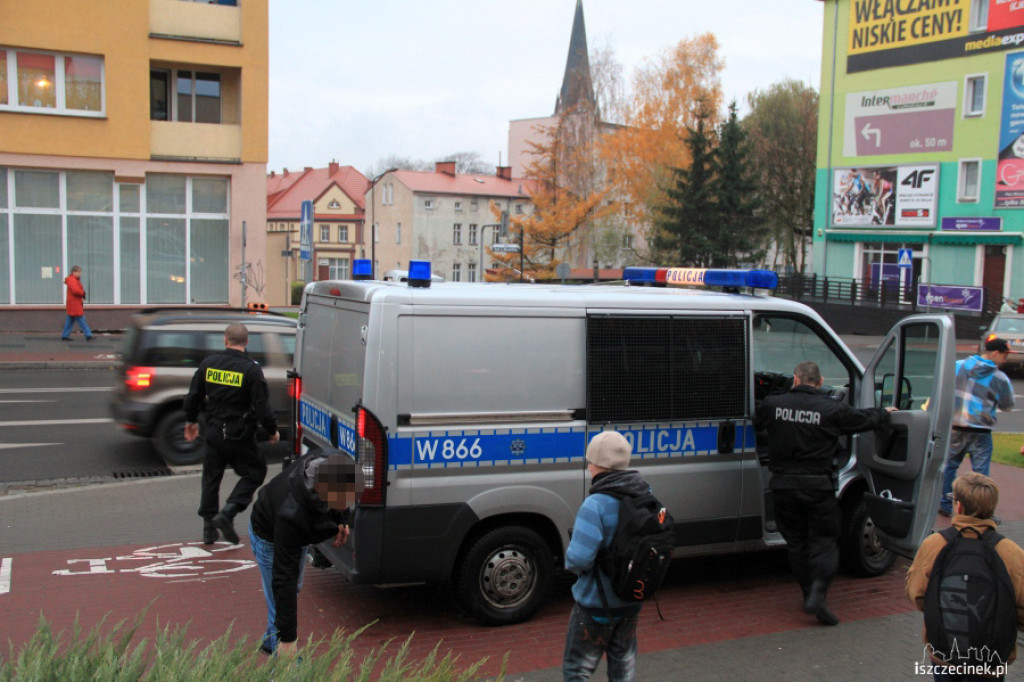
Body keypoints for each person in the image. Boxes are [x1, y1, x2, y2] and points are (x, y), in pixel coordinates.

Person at [754, 360, 896, 626]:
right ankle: (818, 592)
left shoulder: (773, 404)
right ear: (819, 383)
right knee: (824, 541)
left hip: (783, 486)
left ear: (795, 379)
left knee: (796, 542)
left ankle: (808, 592)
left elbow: (756, 421)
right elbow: (863, 419)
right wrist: (884, 413)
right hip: (818, 488)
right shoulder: (832, 408)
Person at [906, 473, 1024, 681]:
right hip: (990, 661)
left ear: (959, 506)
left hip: (945, 653)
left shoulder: (935, 544)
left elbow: (917, 594)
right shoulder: (1010, 552)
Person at [249, 450, 358, 655]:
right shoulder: (291, 515)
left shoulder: (330, 462)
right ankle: (282, 658)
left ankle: (271, 641)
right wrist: (289, 640)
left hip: (292, 529)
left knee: (292, 589)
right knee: (281, 596)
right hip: (268, 536)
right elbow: (284, 579)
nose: (347, 505)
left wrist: (342, 520)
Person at [563, 431, 651, 682]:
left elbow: (579, 560)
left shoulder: (596, 504)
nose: (588, 467)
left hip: (595, 605)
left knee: (577, 671)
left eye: (590, 462)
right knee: (623, 667)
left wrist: (571, 560)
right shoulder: (644, 496)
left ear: (598, 464)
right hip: (630, 601)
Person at [183, 322, 279, 545]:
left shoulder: (209, 364)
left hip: (214, 430)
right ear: (247, 342)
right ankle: (228, 512)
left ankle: (209, 528)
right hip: (239, 433)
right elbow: (262, 405)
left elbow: (193, 395)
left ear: (225, 340)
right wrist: (272, 430)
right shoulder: (251, 369)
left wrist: (191, 420)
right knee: (255, 471)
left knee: (211, 476)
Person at [939, 338, 1015, 518]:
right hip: (981, 430)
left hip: (955, 426)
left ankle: (946, 504)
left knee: (949, 467)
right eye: (1004, 355)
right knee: (981, 476)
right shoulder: (999, 377)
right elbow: (1007, 405)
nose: (1005, 360)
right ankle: (979, 511)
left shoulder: (957, 366)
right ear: (995, 353)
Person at [61, 265, 93, 341]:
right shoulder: (73, 280)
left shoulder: (72, 280)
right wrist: (82, 292)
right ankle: (88, 335)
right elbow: (76, 291)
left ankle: (65, 335)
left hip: (73, 304)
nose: (80, 274)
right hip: (75, 304)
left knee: (70, 320)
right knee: (81, 320)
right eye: (78, 272)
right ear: (74, 272)